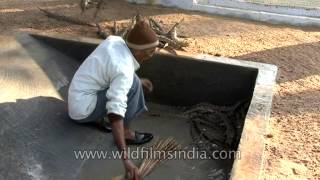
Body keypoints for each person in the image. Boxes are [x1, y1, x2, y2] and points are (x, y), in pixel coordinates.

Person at [68, 20, 159, 180]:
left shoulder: (115, 40)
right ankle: (125, 133)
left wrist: (135, 79)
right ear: (138, 51)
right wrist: (126, 160)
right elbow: (115, 111)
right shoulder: (123, 70)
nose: (152, 55)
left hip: (77, 97)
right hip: (82, 110)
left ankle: (101, 119)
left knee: (133, 81)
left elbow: (117, 70)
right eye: (150, 51)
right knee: (131, 87)